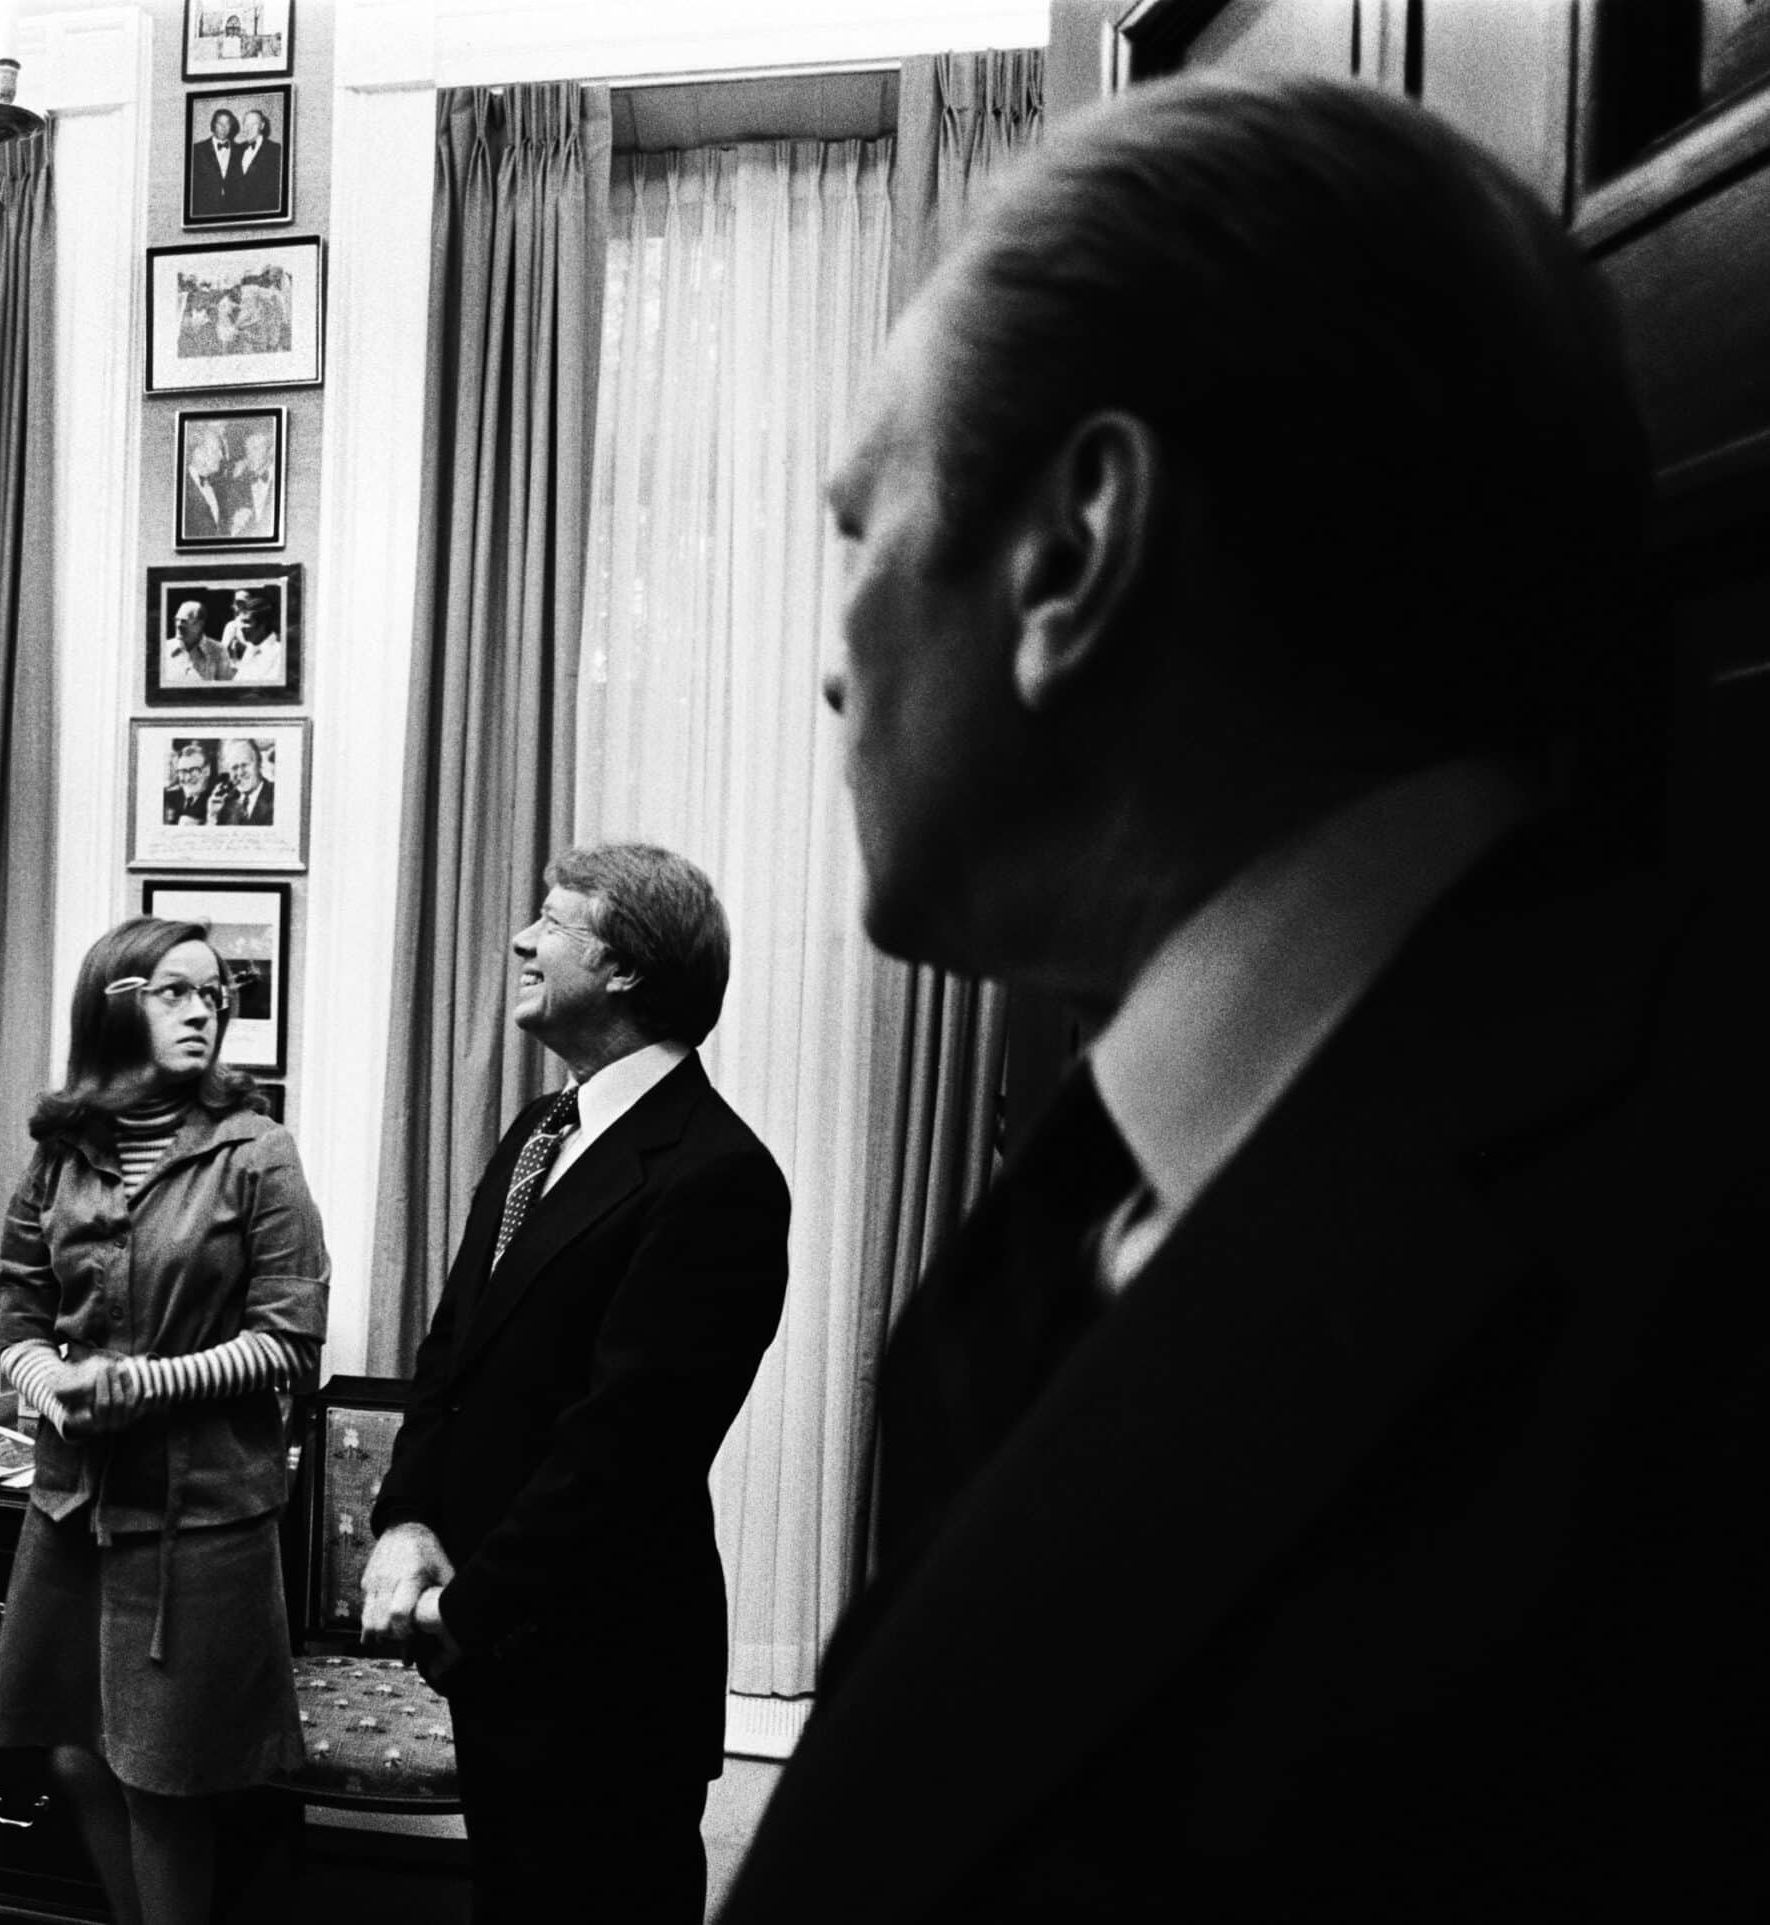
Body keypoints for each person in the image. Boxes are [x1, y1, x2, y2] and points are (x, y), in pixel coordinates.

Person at [718, 72, 1770, 1923]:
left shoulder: (1686, 1259)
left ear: (1075, 551)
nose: (831, 665)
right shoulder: (1116, 1196)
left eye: (861, 529)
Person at [360, 842, 790, 1924]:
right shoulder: (540, 1130)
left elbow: (627, 1446)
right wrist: (407, 1517)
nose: (520, 939)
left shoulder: (718, 1175)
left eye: (551, 922)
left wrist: (470, 1602)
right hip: (498, 1649)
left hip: (605, 1667)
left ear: (629, 968)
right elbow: (451, 1351)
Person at [0, 916, 330, 1925]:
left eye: (214, 995)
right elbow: (15, 1316)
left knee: (161, 1779)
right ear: (113, 1002)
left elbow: (288, 1341)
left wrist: (137, 1385)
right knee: (74, 1752)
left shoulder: (256, 1150)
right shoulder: (57, 1150)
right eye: (175, 991)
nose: (202, 1012)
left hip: (203, 1521)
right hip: (72, 1508)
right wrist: (50, 1383)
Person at [225, 108, 285, 218]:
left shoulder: (276, 150)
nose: (249, 129)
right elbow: (230, 184)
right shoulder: (236, 151)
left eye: (253, 125)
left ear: (262, 125)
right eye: (246, 125)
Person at [205, 737, 275, 827]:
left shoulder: (276, 795)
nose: (240, 773)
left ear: (259, 763)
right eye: (234, 767)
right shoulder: (225, 803)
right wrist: (213, 817)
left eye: (245, 765)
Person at [162, 601, 235, 685]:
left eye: (184, 621)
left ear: (199, 624)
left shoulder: (218, 651)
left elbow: (225, 690)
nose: (178, 625)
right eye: (176, 619)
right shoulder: (163, 648)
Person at [188, 107, 240, 222]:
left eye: (227, 124)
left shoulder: (240, 150)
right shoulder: (197, 150)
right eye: (220, 124)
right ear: (213, 125)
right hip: (204, 211)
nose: (223, 128)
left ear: (232, 126)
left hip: (233, 211)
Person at [180, 422, 230, 542]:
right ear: (198, 453)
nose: (221, 456)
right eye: (215, 451)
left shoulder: (217, 487)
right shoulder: (181, 489)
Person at [221, 587, 282, 683]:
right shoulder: (251, 648)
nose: (241, 627)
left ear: (263, 624)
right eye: (241, 621)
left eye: (247, 622)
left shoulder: (279, 652)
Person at [226, 428, 278, 540]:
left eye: (256, 448)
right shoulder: (238, 484)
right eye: (247, 450)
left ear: (271, 450)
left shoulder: (284, 478)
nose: (250, 456)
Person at [161, 740, 214, 825]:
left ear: (207, 771)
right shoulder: (168, 797)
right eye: (182, 771)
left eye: (193, 770)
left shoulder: (214, 801)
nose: (188, 778)